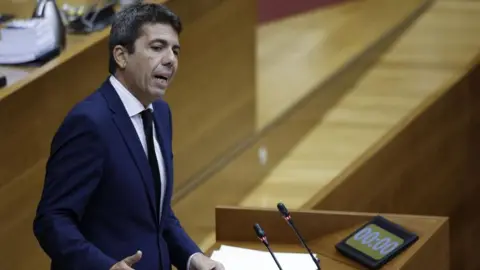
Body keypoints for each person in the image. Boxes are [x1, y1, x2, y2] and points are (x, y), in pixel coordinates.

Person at [33, 3, 225, 270]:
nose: (171, 59)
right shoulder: (89, 123)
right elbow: (52, 219)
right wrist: (105, 267)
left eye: (175, 50)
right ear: (121, 56)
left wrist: (192, 257)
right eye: (157, 47)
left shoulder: (159, 112)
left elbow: (157, 215)